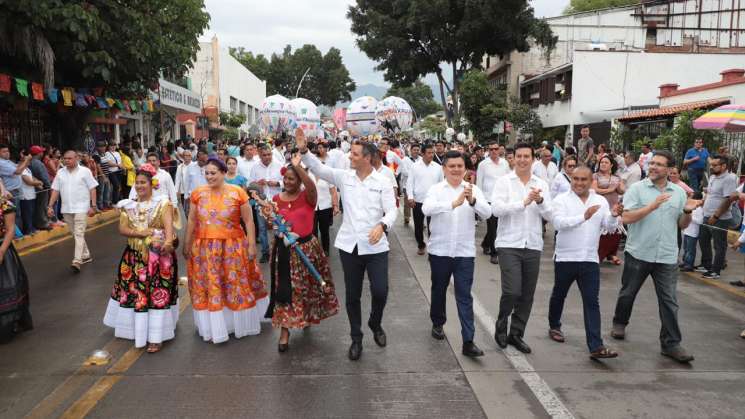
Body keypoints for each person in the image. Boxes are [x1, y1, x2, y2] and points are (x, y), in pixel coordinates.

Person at [297, 133, 397, 361]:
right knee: (352, 295)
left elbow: (392, 210)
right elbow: (320, 170)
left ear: (368, 158)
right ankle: (356, 337)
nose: (350, 156)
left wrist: (382, 225)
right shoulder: (344, 177)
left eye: (354, 154)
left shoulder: (382, 181)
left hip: (376, 246)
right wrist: (304, 151)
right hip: (349, 246)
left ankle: (375, 322)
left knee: (380, 291)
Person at [610, 150, 700, 363]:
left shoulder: (678, 193)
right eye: (652, 163)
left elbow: (681, 225)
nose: (653, 167)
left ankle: (671, 344)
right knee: (628, 293)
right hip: (639, 252)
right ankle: (620, 323)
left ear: (669, 170)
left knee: (669, 301)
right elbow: (627, 218)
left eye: (659, 164)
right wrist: (652, 206)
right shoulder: (637, 189)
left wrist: (687, 212)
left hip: (667, 255)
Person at [183, 158, 268, 344]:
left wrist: (252, 244)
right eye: (207, 173)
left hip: (233, 246)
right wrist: (187, 243)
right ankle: (215, 326)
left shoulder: (238, 192)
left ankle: (238, 324)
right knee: (212, 285)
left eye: (213, 173)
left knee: (234, 283)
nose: (209, 176)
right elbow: (191, 220)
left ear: (223, 173)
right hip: (205, 248)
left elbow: (248, 221)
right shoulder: (197, 193)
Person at [265, 155, 340, 352]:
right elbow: (269, 223)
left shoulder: (308, 197)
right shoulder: (275, 199)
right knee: (286, 290)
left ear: (300, 180)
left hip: (307, 250)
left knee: (306, 289)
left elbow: (312, 186)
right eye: (286, 178)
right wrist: (270, 222)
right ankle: (285, 330)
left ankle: (305, 317)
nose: (288, 182)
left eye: (293, 178)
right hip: (284, 252)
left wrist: (299, 167)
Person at [103, 164, 179, 353]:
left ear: (152, 184)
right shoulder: (128, 206)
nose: (139, 186)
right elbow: (122, 229)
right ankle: (136, 331)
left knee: (156, 295)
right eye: (137, 183)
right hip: (134, 257)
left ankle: (156, 337)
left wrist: (167, 243)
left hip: (158, 258)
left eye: (143, 182)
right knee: (136, 294)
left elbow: (169, 229)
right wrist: (141, 232)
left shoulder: (163, 204)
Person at [422, 150, 491, 358]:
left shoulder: (473, 189)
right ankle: (437, 322)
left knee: (464, 296)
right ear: (444, 169)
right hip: (440, 251)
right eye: (451, 166)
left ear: (465, 169)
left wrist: (472, 202)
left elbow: (487, 213)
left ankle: (468, 341)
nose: (456, 170)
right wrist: (452, 204)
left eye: (459, 166)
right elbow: (426, 209)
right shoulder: (436, 190)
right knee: (439, 290)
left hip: (464, 253)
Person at [549, 165, 621, 359]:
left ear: (591, 182)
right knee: (559, 294)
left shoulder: (600, 201)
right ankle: (554, 325)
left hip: (590, 259)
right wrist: (584, 216)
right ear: (571, 180)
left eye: (583, 180)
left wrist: (614, 215)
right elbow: (558, 224)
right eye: (575, 179)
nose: (579, 183)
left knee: (591, 301)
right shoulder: (561, 200)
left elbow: (608, 226)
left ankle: (596, 346)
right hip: (566, 258)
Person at [491, 142, 552, 354]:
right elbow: (496, 210)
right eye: (519, 156)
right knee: (512, 290)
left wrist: (541, 200)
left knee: (527, 294)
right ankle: (501, 322)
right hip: (509, 243)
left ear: (533, 159)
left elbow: (550, 215)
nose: (523, 159)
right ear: (513, 158)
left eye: (527, 156)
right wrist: (523, 203)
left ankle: (516, 333)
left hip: (533, 244)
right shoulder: (504, 182)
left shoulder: (541, 183)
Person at [47, 151, 98, 273]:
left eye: (69, 158)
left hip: (82, 207)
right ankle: (85, 254)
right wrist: (49, 206)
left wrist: (93, 205)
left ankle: (77, 260)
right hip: (66, 208)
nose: (66, 161)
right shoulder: (60, 172)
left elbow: (92, 188)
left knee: (79, 233)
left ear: (77, 158)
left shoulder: (85, 171)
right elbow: (55, 190)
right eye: (65, 159)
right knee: (75, 233)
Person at [698, 154, 738, 279]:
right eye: (711, 165)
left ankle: (716, 270)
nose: (712, 167)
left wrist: (716, 216)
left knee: (719, 245)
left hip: (720, 218)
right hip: (707, 214)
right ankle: (706, 264)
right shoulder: (713, 177)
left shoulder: (729, 179)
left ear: (724, 166)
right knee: (703, 240)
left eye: (715, 165)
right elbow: (710, 194)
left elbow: (728, 200)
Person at [0, 196, 32, 343]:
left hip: (3, 251)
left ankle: (8, 325)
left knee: (7, 288)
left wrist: (1, 251)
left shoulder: (5, 205)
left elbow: (10, 229)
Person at [476, 142, 510, 264]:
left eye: (496, 149)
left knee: (496, 226)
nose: (494, 151)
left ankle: (485, 243)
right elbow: (479, 183)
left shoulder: (504, 163)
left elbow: (508, 181)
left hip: (501, 199)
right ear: (488, 150)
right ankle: (494, 253)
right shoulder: (483, 165)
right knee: (493, 226)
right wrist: (480, 202)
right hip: (488, 199)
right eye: (491, 149)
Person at [406, 144, 443, 255]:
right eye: (429, 153)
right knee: (418, 226)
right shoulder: (415, 166)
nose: (431, 155)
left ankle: (433, 246)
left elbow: (441, 184)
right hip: (418, 201)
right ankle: (421, 244)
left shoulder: (438, 167)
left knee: (433, 226)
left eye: (433, 153)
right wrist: (410, 197)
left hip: (433, 201)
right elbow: (410, 183)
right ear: (422, 153)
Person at [249, 145, 283, 263]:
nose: (268, 157)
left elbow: (287, 181)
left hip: (276, 202)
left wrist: (277, 183)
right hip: (261, 203)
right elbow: (250, 185)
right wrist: (258, 183)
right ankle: (265, 253)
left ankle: (278, 252)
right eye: (264, 155)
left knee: (277, 228)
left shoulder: (279, 165)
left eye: (269, 154)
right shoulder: (255, 167)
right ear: (259, 155)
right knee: (262, 229)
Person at [592, 155, 625, 265]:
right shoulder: (595, 176)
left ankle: (612, 254)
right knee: (601, 233)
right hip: (600, 207)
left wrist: (620, 186)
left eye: (606, 162)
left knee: (615, 232)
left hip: (613, 206)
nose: (603, 164)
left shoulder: (616, 177)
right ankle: (599, 254)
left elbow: (621, 191)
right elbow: (594, 189)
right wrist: (611, 189)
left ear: (611, 165)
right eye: (602, 162)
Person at [312, 142, 339, 255]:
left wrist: (335, 205)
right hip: (312, 207)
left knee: (324, 231)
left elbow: (333, 192)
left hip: (325, 207)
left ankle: (326, 250)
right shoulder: (308, 176)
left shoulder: (327, 176)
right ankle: (314, 250)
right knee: (312, 231)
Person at [0, 144, 32, 231]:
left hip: (15, 190)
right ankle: (16, 235)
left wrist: (23, 160)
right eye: (4, 151)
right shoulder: (1, 163)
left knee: (17, 213)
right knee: (14, 214)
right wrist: (27, 160)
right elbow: (18, 171)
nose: (7, 153)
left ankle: (18, 233)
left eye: (8, 151)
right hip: (10, 192)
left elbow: (18, 167)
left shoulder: (8, 161)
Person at [29, 145, 51, 231]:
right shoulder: (38, 163)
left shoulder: (30, 162)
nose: (43, 153)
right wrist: (49, 186)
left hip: (33, 188)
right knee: (42, 206)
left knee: (37, 206)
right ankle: (43, 224)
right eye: (41, 151)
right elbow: (44, 177)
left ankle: (38, 223)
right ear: (38, 153)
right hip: (42, 187)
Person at [680, 192, 704, 272]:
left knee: (690, 250)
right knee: (686, 248)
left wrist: (690, 217)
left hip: (693, 233)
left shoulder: (699, 209)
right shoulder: (691, 207)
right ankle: (685, 262)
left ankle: (689, 265)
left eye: (691, 198)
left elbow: (700, 221)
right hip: (687, 231)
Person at [19, 165, 41, 235]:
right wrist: (39, 183)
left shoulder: (27, 168)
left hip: (31, 194)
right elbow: (28, 182)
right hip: (25, 196)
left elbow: (33, 178)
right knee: (27, 214)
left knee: (31, 213)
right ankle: (28, 230)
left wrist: (37, 182)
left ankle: (32, 228)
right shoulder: (20, 168)